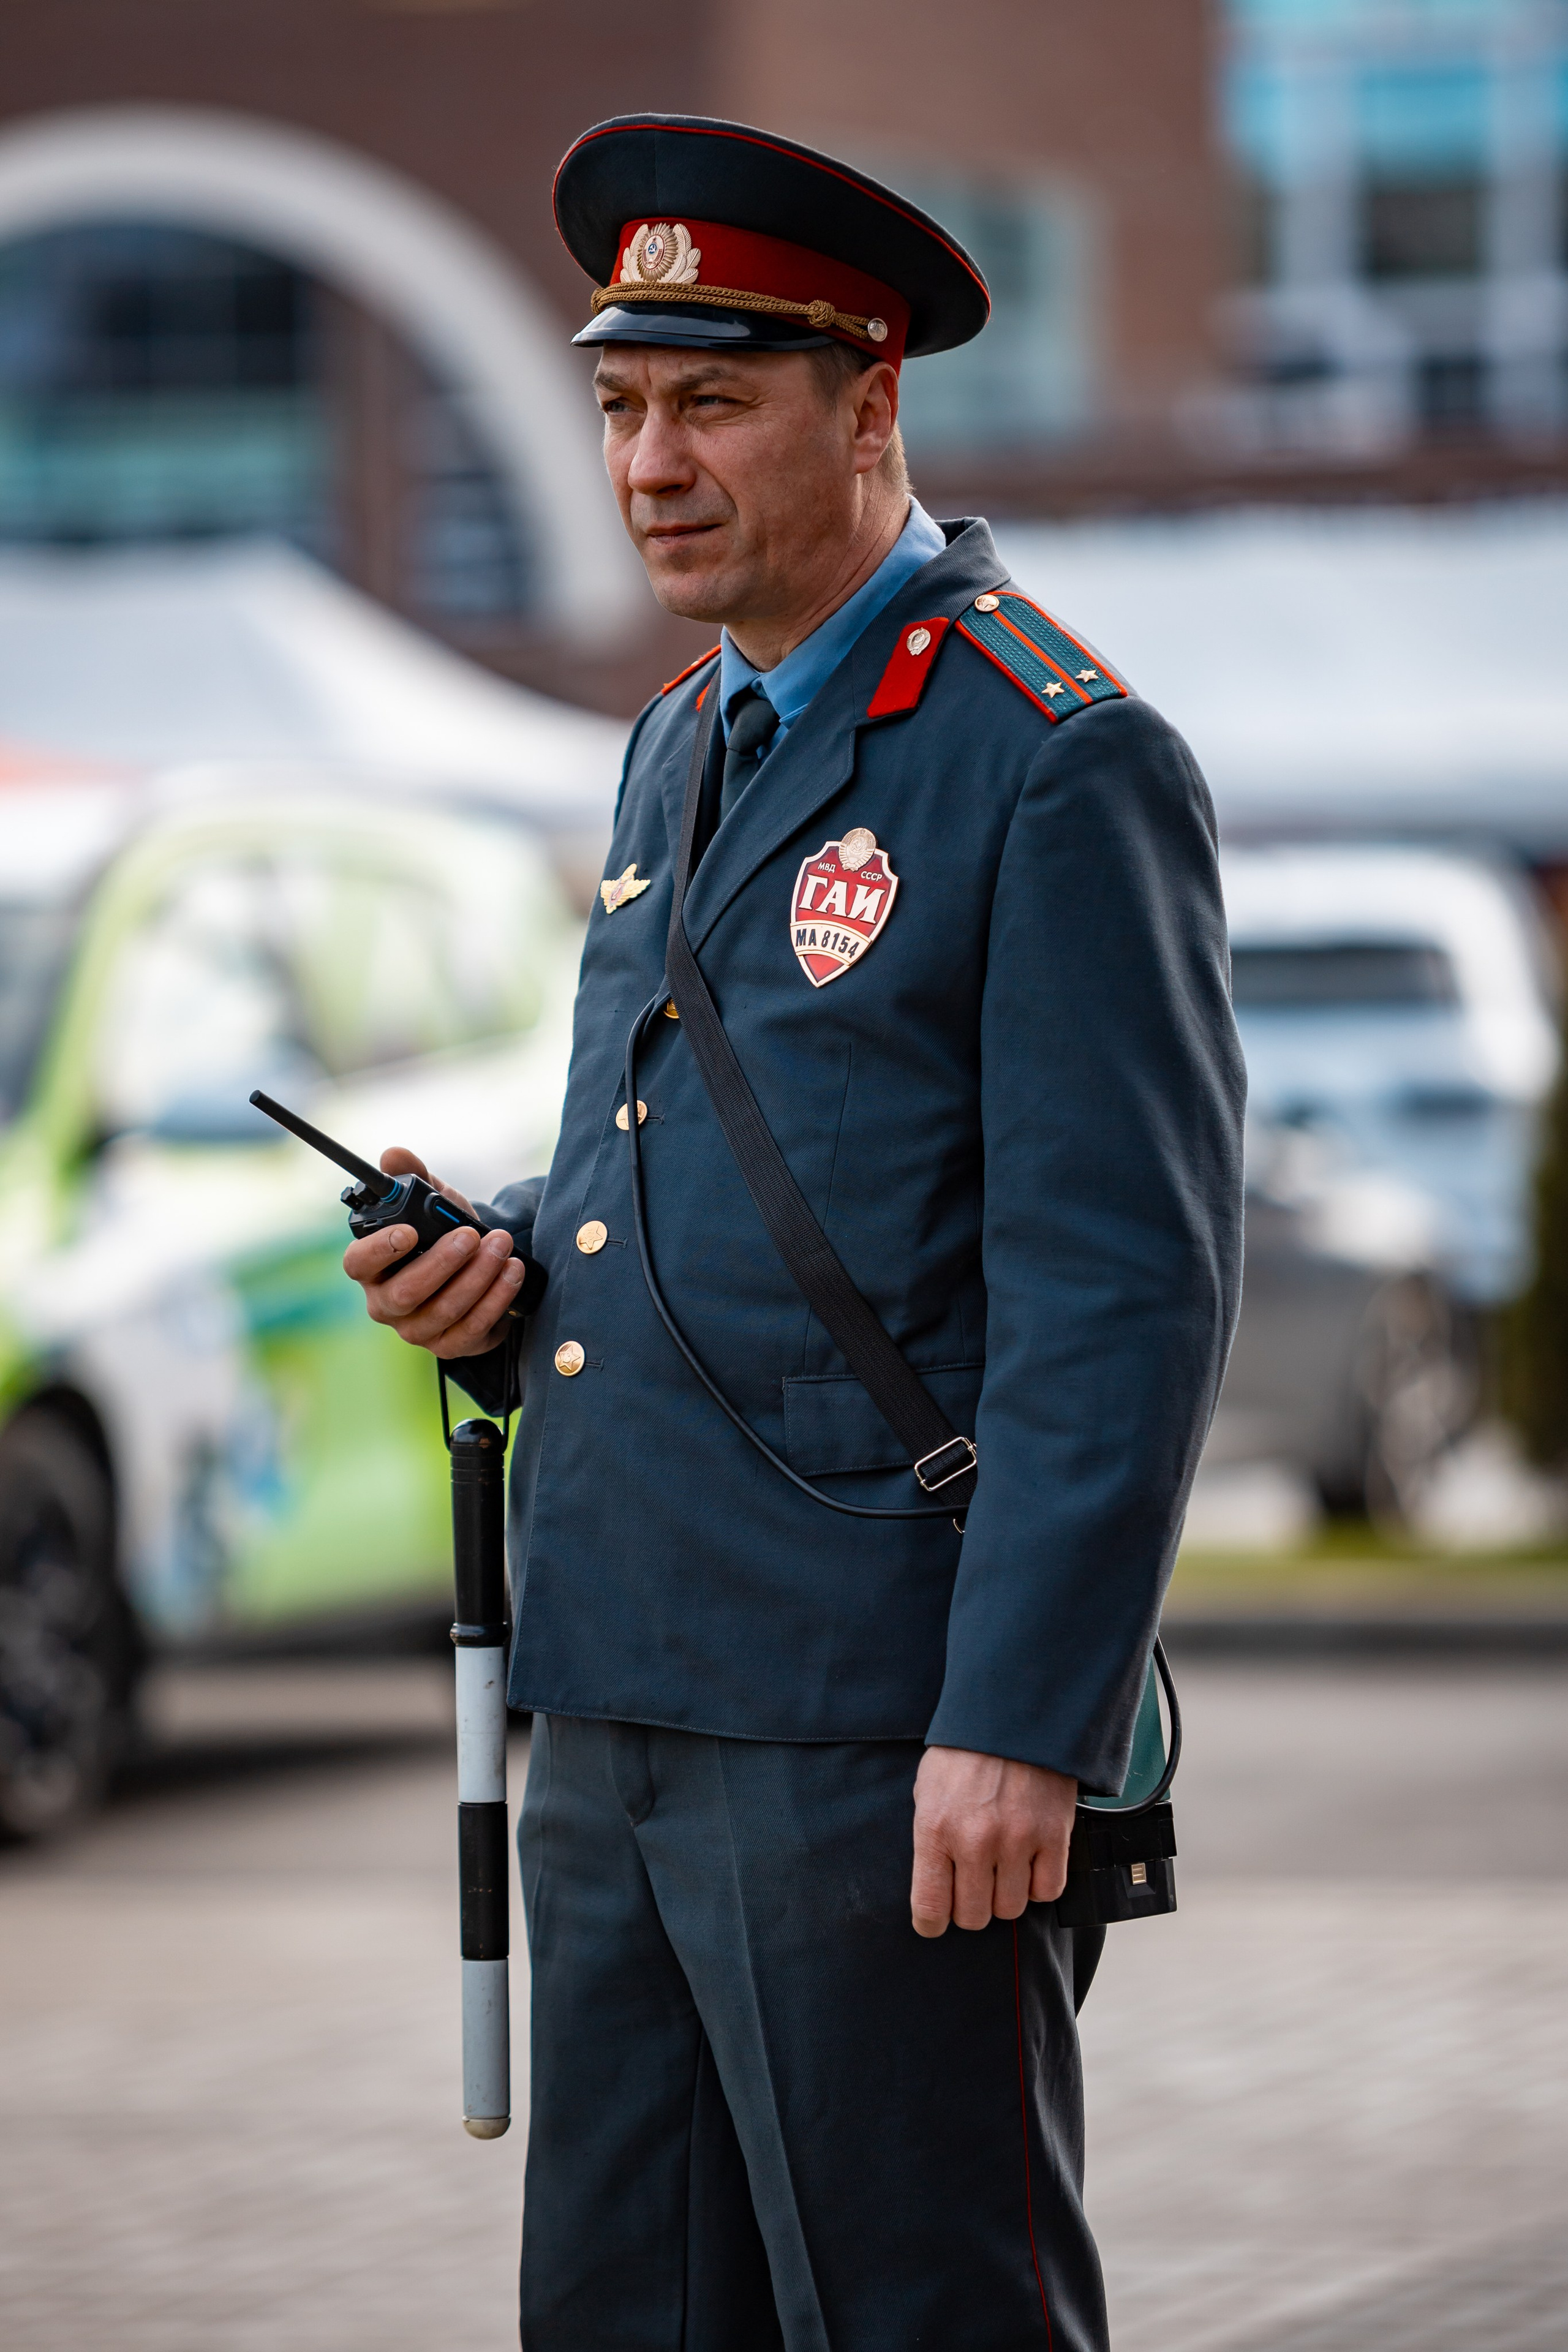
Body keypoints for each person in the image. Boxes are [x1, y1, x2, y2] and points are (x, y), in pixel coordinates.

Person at [344, 111, 1245, 2352]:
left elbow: (1120, 1295)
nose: (651, 461)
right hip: (623, 1679)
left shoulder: (1050, 756)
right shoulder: (675, 747)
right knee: (629, 2317)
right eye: (623, 405)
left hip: (879, 1728)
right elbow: (687, 1177)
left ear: (871, 407)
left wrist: (1021, 1720)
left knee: (920, 2311)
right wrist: (504, 1259)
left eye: (713, 402)